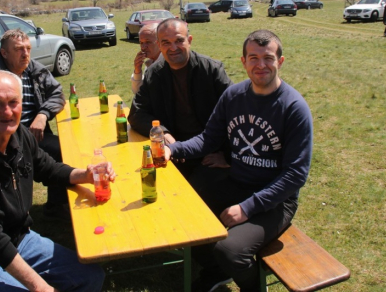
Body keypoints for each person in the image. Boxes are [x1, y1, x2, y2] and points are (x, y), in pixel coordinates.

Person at [0, 70, 110, 291]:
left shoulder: (19, 134)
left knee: (90, 276)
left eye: (14, 102)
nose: (8, 112)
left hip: (19, 238)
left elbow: (48, 168)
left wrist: (85, 175)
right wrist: (40, 288)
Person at [165, 29, 313, 292]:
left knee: (230, 250)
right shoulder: (233, 96)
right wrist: (172, 150)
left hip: (274, 201)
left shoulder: (293, 108)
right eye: (253, 58)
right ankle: (215, 272)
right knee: (187, 215)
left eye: (268, 58)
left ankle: (251, 286)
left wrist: (247, 208)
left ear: (280, 62)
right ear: (243, 61)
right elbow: (208, 140)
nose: (260, 65)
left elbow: (295, 175)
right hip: (236, 182)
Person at [0, 29, 67, 220]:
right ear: (4, 53)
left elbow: (57, 93)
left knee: (63, 149)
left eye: (28, 48)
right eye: (19, 49)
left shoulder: (33, 69)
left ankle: (55, 206)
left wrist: (43, 114)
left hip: (34, 136)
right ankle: (8, 212)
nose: (26, 54)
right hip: (0, 142)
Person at [128, 18, 233, 180]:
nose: (173, 48)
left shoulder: (211, 70)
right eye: (166, 42)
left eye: (179, 41)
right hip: (172, 152)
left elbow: (237, 113)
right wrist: (164, 134)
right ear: (159, 45)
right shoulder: (154, 74)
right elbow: (136, 114)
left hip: (208, 153)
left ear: (189, 41)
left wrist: (227, 156)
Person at [130, 23, 161, 94]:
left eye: (148, 42)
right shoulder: (150, 62)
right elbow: (138, 92)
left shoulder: (167, 64)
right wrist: (137, 71)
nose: (143, 47)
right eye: (141, 42)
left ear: (160, 42)